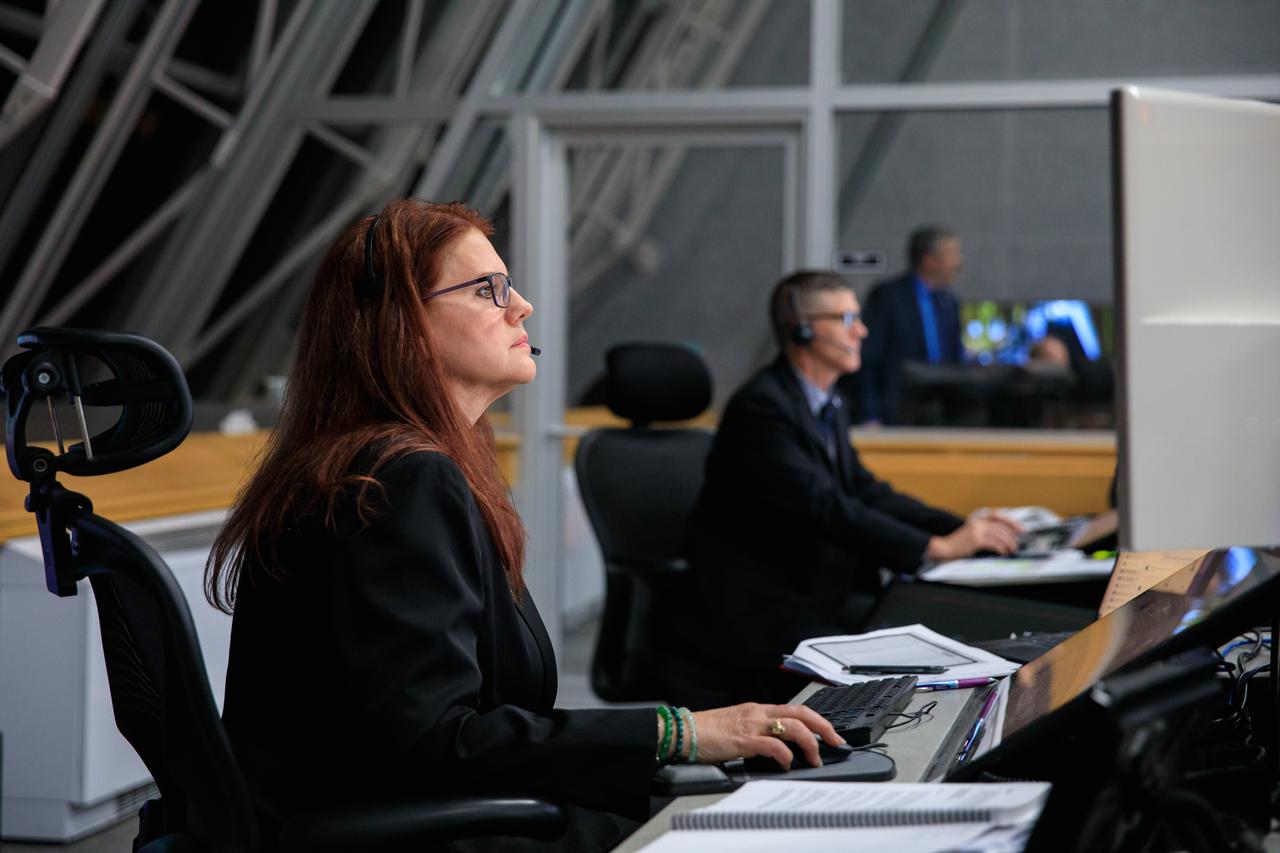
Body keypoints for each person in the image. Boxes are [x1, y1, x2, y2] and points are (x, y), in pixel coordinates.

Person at [204, 200, 841, 853]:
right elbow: (434, 740)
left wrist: (684, 738)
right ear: (404, 324)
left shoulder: (383, 464)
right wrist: (677, 731)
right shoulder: (400, 479)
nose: (523, 306)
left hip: (421, 811)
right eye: (489, 290)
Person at [675, 270, 1021, 707]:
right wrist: (937, 547)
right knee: (919, 661)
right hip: (762, 610)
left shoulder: (824, 402)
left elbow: (864, 489)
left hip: (814, 594)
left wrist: (962, 529)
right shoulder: (761, 407)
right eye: (845, 318)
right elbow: (824, 506)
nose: (862, 330)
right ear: (802, 329)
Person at [855, 226, 966, 425]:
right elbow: (869, 357)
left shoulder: (949, 302)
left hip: (942, 415)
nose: (958, 263)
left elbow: (956, 358)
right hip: (894, 411)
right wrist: (869, 413)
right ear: (928, 260)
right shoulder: (888, 296)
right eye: (951, 255)